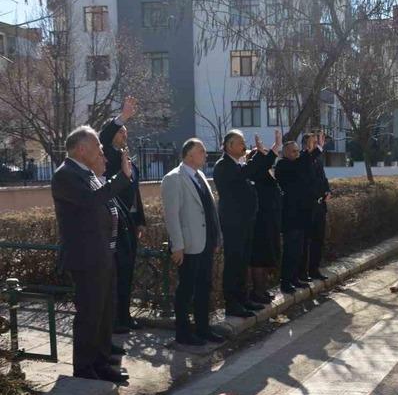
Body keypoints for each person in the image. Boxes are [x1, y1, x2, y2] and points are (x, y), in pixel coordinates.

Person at [51, 125, 131, 383]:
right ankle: (85, 369)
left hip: (103, 255)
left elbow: (103, 204)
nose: (101, 150)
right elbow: (91, 201)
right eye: (97, 145)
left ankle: (101, 362)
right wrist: (122, 179)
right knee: (90, 314)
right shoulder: (66, 174)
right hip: (86, 258)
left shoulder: (88, 173)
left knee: (105, 312)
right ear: (81, 148)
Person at [161, 139, 225, 346]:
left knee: (204, 287)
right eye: (201, 151)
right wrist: (177, 245)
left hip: (205, 242)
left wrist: (216, 237)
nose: (205, 155)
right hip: (188, 245)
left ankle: (203, 329)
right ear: (189, 154)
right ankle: (183, 333)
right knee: (186, 289)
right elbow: (172, 215)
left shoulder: (200, 176)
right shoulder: (174, 179)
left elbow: (209, 210)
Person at [213, 130, 278, 318]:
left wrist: (270, 152)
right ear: (229, 146)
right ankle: (232, 303)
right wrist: (258, 154)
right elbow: (246, 172)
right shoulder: (224, 165)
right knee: (234, 263)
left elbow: (256, 169)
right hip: (234, 224)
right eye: (240, 143)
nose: (243, 146)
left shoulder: (238, 164)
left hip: (246, 222)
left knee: (243, 262)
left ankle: (243, 299)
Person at [100, 96, 146, 334]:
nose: (124, 135)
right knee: (116, 273)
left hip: (130, 224)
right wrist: (123, 117)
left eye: (126, 132)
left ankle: (125, 316)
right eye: (121, 132)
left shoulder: (128, 159)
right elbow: (105, 136)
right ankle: (116, 320)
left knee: (127, 272)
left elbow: (136, 194)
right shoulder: (107, 156)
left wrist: (140, 221)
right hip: (114, 223)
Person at [249, 130, 283, 304]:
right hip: (260, 223)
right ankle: (258, 292)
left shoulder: (266, 175)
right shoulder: (256, 175)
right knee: (259, 260)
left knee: (267, 258)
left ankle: (262, 290)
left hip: (270, 222)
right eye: (262, 156)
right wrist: (275, 147)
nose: (268, 160)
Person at [275, 140, 311, 293]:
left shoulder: (298, 166)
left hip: (300, 215)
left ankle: (295, 278)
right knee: (290, 251)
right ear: (285, 153)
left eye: (298, 151)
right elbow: (299, 165)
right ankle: (286, 281)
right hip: (289, 217)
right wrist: (314, 151)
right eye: (293, 151)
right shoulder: (283, 165)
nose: (296, 154)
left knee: (298, 250)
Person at [300, 130, 332, 282]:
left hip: (320, 206)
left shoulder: (318, 160)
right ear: (306, 144)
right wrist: (317, 149)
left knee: (318, 240)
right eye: (313, 141)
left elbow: (323, 178)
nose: (317, 144)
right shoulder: (301, 159)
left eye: (316, 141)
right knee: (305, 242)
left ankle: (314, 269)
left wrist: (327, 191)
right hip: (307, 208)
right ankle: (302, 273)